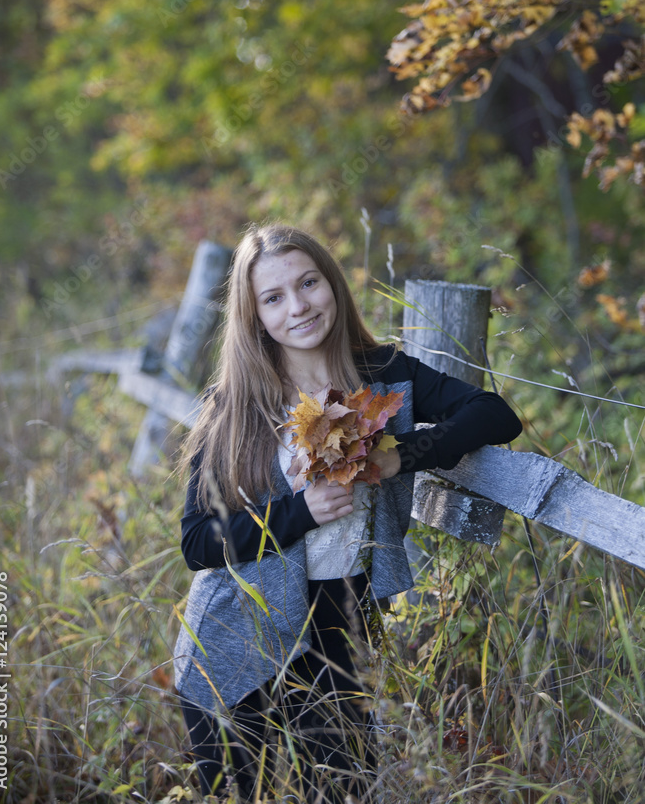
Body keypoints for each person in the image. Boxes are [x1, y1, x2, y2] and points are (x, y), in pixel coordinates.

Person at [173, 222, 522, 802]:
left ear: (332, 283)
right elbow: (198, 542)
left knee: (344, 790)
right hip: (238, 635)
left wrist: (402, 456)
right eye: (274, 297)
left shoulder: (385, 374)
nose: (299, 306)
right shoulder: (236, 406)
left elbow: (494, 413)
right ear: (254, 315)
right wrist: (299, 511)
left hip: (340, 620)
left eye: (309, 283)